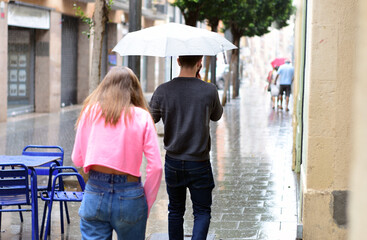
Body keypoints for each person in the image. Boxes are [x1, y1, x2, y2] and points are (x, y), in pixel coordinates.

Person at [72, 66, 162, 240]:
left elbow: (77, 159)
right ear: (134, 90)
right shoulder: (142, 116)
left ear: (105, 87)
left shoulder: (90, 112)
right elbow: (156, 167)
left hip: (95, 191)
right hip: (130, 195)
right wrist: (146, 202)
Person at [149, 55, 223, 240]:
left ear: (178, 61)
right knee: (202, 211)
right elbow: (217, 116)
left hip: (173, 162)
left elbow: (150, 119)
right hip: (199, 162)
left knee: (175, 210)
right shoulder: (209, 90)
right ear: (199, 63)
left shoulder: (163, 90)